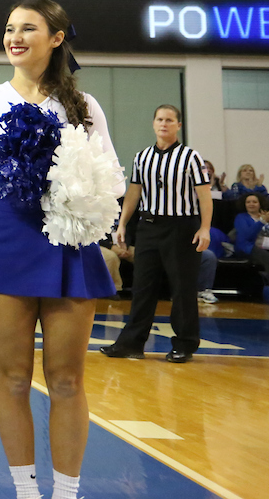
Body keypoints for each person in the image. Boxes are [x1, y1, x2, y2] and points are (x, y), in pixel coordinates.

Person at [0, 0, 124, 499]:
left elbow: (110, 177)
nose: (14, 37)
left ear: (57, 39)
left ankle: (66, 492)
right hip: (10, 240)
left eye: (28, 28)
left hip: (70, 241)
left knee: (66, 378)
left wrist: (69, 174)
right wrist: (5, 163)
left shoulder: (84, 106)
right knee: (15, 375)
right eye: (8, 28)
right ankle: (26, 491)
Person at [101, 104, 212, 363]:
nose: (164, 124)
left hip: (182, 227)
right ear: (153, 123)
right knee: (143, 287)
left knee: (182, 289)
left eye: (170, 120)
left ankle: (185, 344)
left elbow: (204, 196)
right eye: (160, 119)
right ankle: (132, 343)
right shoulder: (142, 157)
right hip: (149, 227)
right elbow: (134, 192)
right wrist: (122, 224)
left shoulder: (191, 157)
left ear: (178, 126)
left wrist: (204, 227)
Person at [232, 193, 269, 307]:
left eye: (254, 202)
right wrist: (261, 222)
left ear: (260, 204)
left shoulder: (268, 216)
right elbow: (247, 235)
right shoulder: (241, 217)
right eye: (248, 202)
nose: (251, 204)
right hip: (250, 248)